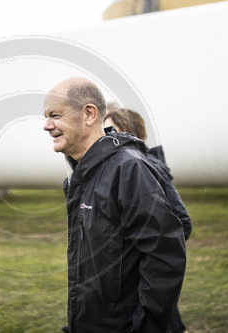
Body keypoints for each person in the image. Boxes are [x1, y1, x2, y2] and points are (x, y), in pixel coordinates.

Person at [43, 77, 186, 332]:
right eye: (46, 116)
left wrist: (144, 327)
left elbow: (165, 256)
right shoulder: (80, 175)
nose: (46, 125)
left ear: (89, 114)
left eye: (55, 115)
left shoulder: (129, 169)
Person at [104, 106, 192, 333]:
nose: (105, 135)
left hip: (145, 275)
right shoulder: (118, 166)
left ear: (128, 130)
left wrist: (147, 248)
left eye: (110, 128)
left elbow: (182, 221)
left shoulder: (147, 166)